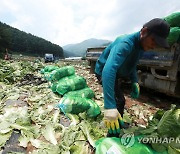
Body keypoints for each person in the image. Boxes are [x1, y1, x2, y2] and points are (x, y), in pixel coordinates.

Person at [95, 18, 170, 137]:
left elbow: (132, 64)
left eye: (157, 44)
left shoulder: (141, 46)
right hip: (104, 71)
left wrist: (135, 81)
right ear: (144, 31)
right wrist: (109, 106)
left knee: (120, 99)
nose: (154, 46)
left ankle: (118, 123)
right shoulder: (125, 44)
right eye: (153, 41)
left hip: (116, 72)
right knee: (118, 100)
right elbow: (109, 70)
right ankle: (112, 132)